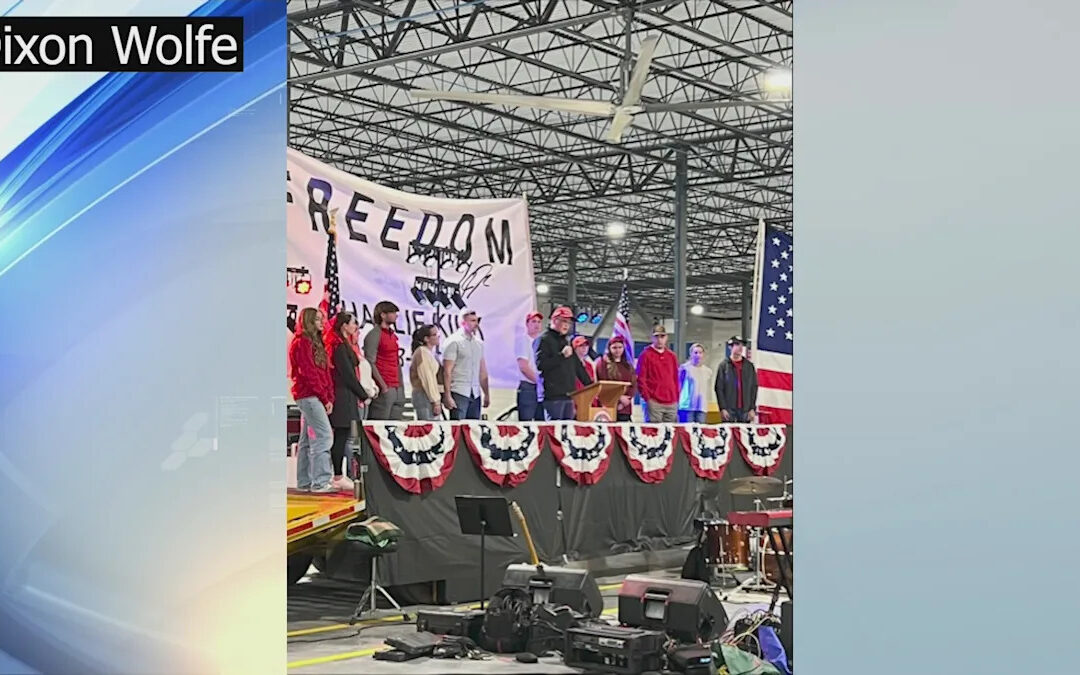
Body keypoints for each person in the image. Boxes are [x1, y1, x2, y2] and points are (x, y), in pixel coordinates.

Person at [289, 307, 335, 493]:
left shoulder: (316, 343)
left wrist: (328, 396)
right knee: (323, 436)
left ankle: (305, 481)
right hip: (309, 395)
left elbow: (324, 373)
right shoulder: (301, 343)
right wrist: (324, 398)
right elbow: (309, 373)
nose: (322, 323)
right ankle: (321, 482)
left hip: (314, 395)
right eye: (317, 319)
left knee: (307, 440)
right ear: (309, 321)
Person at [324, 312, 369, 491]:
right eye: (352, 323)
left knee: (344, 435)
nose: (355, 327)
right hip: (343, 395)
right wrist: (362, 394)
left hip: (347, 394)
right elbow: (348, 375)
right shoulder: (339, 347)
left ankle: (338, 475)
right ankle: (337, 475)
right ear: (344, 325)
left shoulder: (344, 344)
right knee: (342, 435)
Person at [535, 306, 592, 420]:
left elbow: (577, 367)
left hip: (569, 395)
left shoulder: (566, 341)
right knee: (554, 431)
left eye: (569, 322)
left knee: (567, 432)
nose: (567, 325)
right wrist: (561, 356)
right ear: (554, 320)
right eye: (564, 321)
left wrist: (591, 386)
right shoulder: (544, 339)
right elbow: (540, 365)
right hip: (553, 396)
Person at [442, 309, 489, 420]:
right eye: (472, 321)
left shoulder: (479, 343)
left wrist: (486, 393)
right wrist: (447, 395)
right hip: (459, 390)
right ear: (463, 322)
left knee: (473, 430)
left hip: (475, 392)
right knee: (458, 428)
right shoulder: (453, 341)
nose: (476, 324)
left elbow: (482, 371)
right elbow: (447, 371)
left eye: (477, 321)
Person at [364, 301, 405, 420]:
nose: (396, 315)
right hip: (385, 386)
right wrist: (383, 386)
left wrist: (401, 385)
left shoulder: (392, 335)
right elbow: (370, 362)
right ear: (383, 315)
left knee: (395, 427)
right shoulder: (374, 335)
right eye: (392, 312)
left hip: (396, 387)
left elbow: (396, 361)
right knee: (380, 426)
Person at [636, 325, 679, 423]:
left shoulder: (671, 356)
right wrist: (647, 398)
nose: (659, 340)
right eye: (656, 337)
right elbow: (641, 379)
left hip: (671, 402)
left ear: (666, 337)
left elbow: (675, 378)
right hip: (654, 402)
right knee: (654, 434)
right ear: (652, 338)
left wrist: (676, 397)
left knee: (671, 433)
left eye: (662, 336)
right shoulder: (645, 355)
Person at [714, 336, 759, 423]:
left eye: (742, 345)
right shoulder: (723, 366)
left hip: (745, 409)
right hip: (729, 409)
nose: (740, 347)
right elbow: (719, 388)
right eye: (737, 344)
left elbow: (754, 387)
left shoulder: (749, 366)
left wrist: (752, 408)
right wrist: (722, 408)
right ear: (730, 346)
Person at [597, 335, 636, 422]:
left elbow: (633, 385)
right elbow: (603, 385)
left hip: (625, 408)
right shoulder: (603, 364)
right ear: (609, 348)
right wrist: (619, 397)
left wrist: (627, 400)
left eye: (620, 347)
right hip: (608, 406)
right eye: (614, 347)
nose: (617, 350)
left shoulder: (628, 366)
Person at [515, 311, 545, 421]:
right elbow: (523, 366)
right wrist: (540, 381)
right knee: (526, 425)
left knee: (542, 424)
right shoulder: (523, 341)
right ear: (527, 324)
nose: (536, 324)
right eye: (533, 321)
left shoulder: (542, 342)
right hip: (528, 387)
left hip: (540, 388)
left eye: (539, 322)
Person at [410, 324, 443, 421]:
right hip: (424, 395)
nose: (438, 336)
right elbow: (427, 378)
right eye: (435, 334)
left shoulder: (428, 352)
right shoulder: (422, 352)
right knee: (429, 426)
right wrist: (435, 401)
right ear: (426, 339)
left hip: (427, 394)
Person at [678, 343, 715, 424]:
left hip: (701, 406)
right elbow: (679, 385)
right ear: (691, 354)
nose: (698, 355)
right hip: (687, 406)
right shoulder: (684, 368)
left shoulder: (707, 371)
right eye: (695, 352)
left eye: (700, 352)